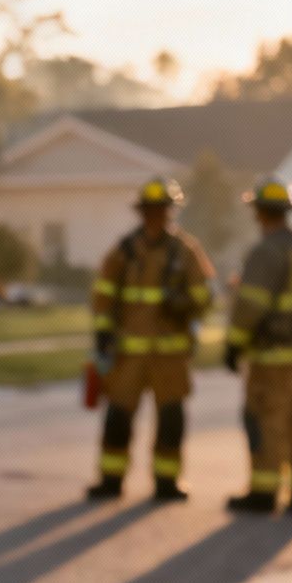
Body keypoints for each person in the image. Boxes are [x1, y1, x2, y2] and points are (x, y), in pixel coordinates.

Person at [87, 178, 214, 503]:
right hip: (128, 354)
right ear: (142, 213)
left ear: (169, 213)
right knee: (118, 418)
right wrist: (103, 334)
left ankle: (167, 482)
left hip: (170, 355)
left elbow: (205, 296)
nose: (156, 217)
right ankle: (111, 480)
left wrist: (186, 303)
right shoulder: (124, 251)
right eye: (150, 211)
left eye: (161, 210)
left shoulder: (185, 251)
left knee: (171, 420)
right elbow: (103, 295)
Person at [223, 176, 292, 514]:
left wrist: (234, 344)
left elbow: (251, 305)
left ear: (259, 213)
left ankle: (264, 493)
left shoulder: (265, 252)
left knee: (267, 421)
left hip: (272, 357)